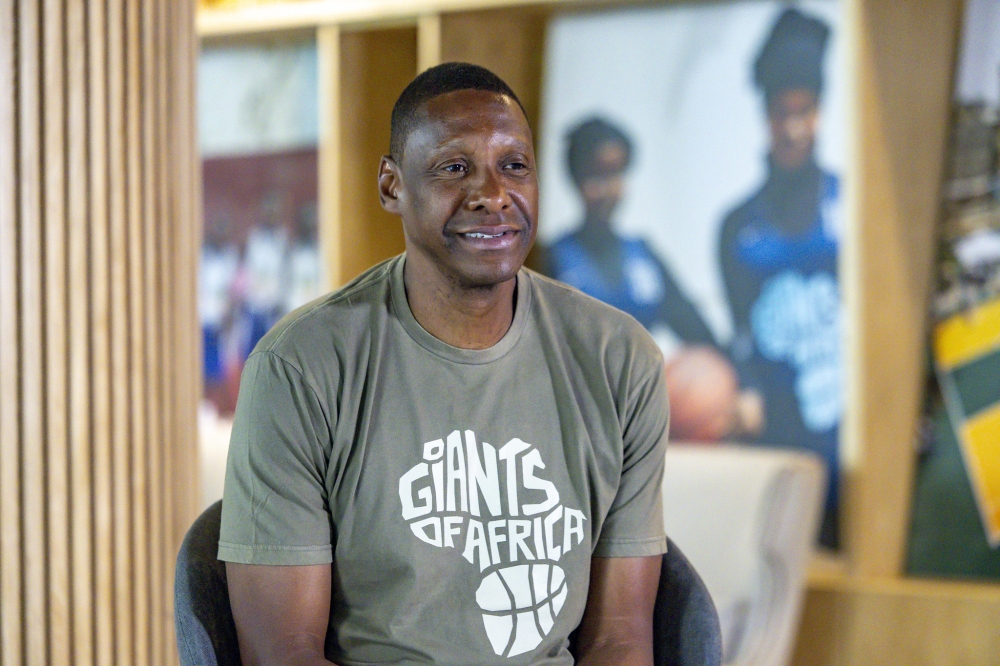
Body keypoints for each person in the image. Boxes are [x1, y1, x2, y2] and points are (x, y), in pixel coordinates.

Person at [219, 63, 669, 666]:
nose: (493, 194)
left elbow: (620, 640)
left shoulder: (620, 360)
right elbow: (284, 653)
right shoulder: (298, 370)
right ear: (391, 186)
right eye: (454, 168)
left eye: (514, 166)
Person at [718, 8, 842, 548]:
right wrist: (740, 387)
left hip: (849, 446)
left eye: (806, 111)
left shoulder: (851, 206)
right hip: (780, 454)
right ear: (765, 114)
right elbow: (739, 332)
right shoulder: (737, 227)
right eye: (781, 112)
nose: (793, 128)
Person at [544, 117, 718, 346]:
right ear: (575, 179)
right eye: (595, 175)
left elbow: (701, 335)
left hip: (637, 381)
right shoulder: (553, 260)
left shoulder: (644, 256)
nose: (607, 189)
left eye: (615, 174)